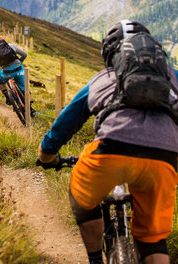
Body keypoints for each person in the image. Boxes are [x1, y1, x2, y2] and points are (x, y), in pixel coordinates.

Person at [36, 20, 178, 264]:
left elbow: (66, 123)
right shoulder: (172, 77)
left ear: (109, 53)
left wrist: (47, 155)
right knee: (153, 239)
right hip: (164, 158)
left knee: (81, 196)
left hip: (111, 150)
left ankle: (94, 260)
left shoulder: (101, 78)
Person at [0, 35, 36, 116]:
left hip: (7, 72)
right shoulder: (11, 46)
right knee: (25, 88)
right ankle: (30, 109)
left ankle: (7, 96)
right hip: (19, 69)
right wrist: (19, 62)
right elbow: (25, 54)